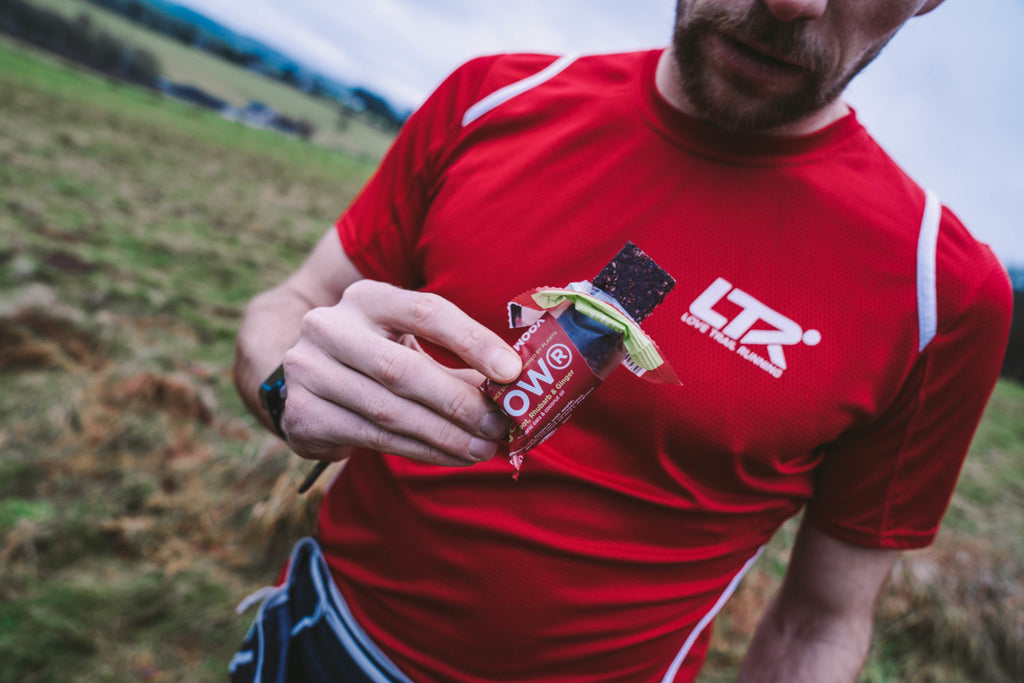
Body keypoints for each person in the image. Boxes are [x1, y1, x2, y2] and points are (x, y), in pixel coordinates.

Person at [230, 0, 1014, 681]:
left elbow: (820, 620)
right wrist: (285, 388)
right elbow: (290, 306)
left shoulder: (940, 291)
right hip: (321, 636)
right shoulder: (495, 95)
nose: (790, 3)